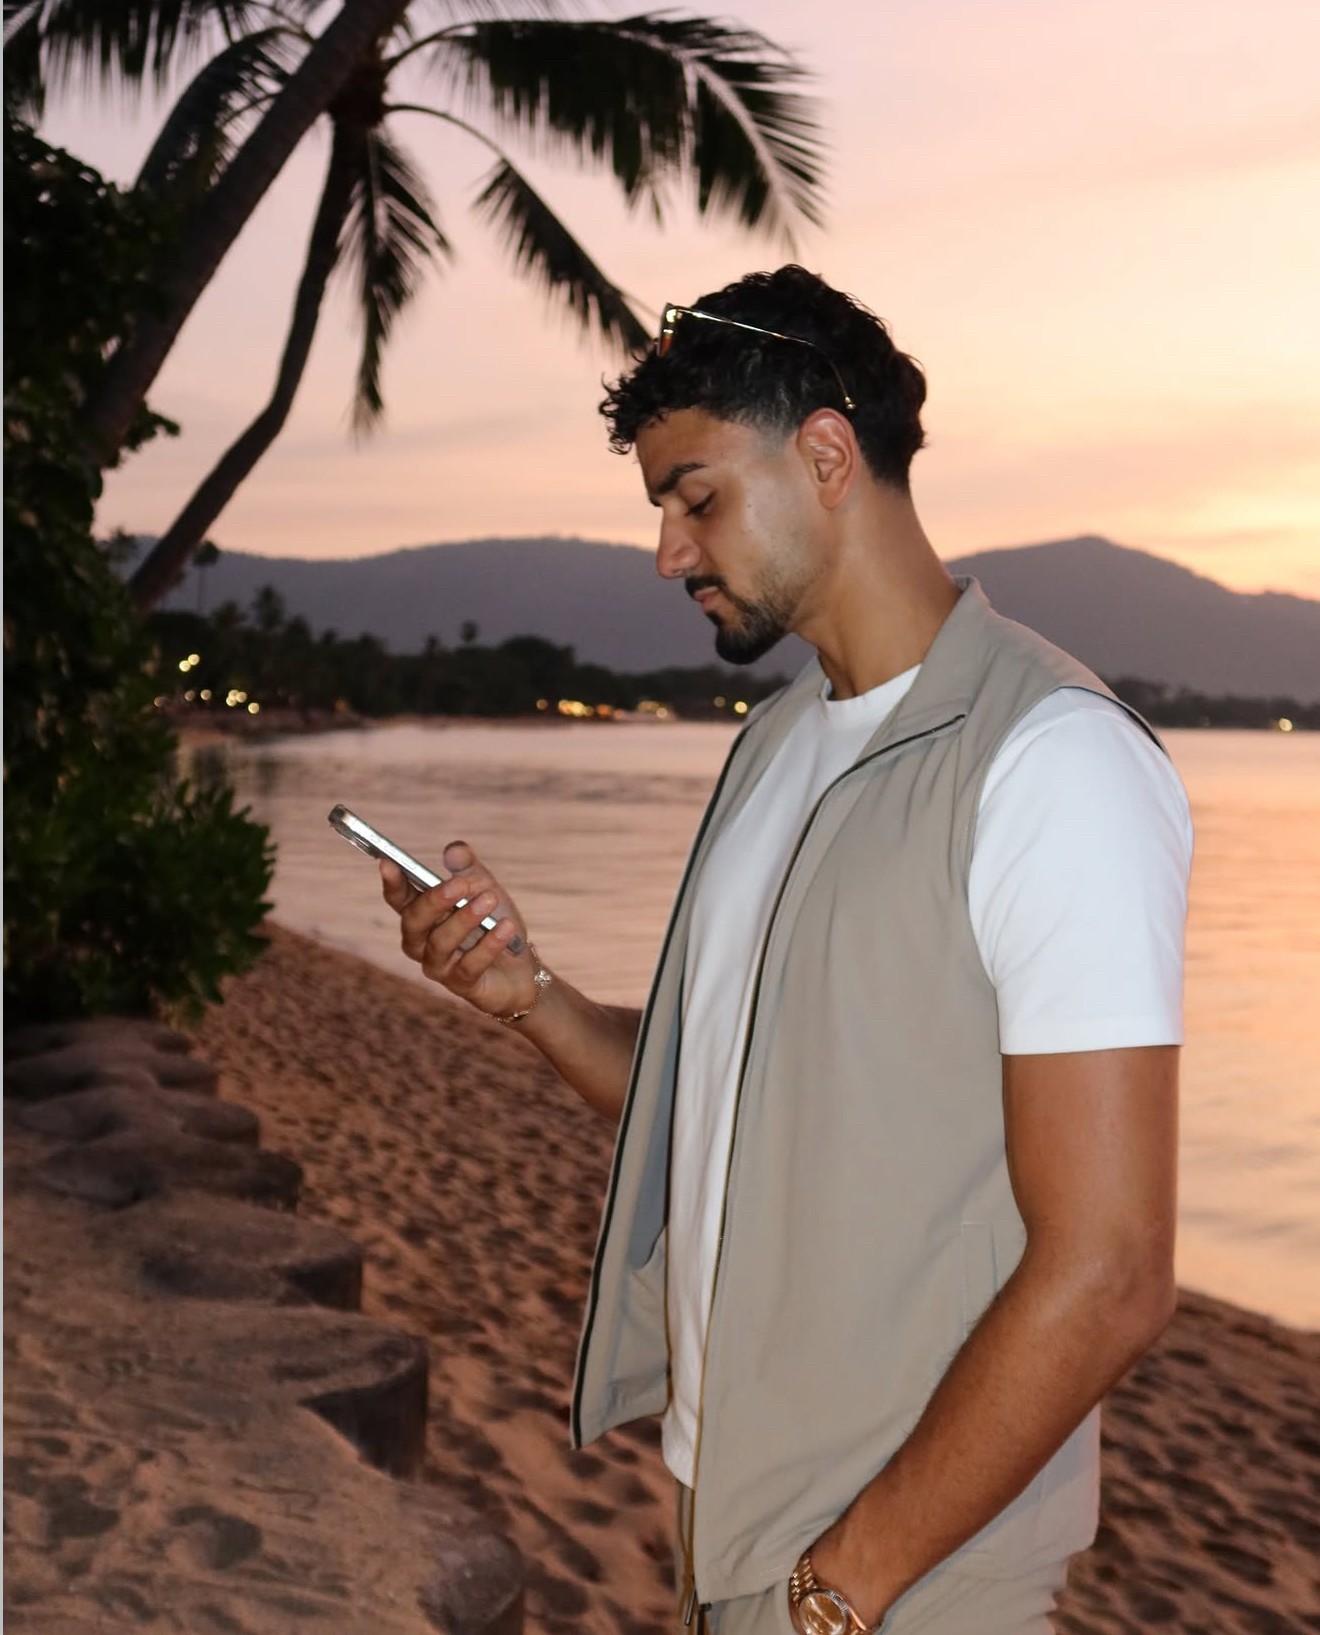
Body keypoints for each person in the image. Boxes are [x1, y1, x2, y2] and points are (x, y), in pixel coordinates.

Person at [381, 265, 1193, 1635]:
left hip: (908, 1573)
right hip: (729, 1509)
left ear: (826, 453)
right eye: (661, 510)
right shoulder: (773, 747)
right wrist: (529, 997)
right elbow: (713, 1091)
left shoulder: (1054, 763)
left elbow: (1111, 1268)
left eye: (697, 497)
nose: (669, 553)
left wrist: (848, 1584)